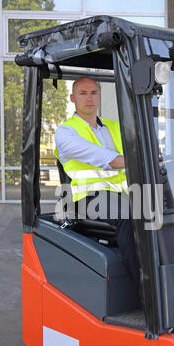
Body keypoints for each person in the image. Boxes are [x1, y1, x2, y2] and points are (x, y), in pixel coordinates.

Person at [54, 77, 140, 296]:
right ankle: (147, 291)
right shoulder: (66, 132)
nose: (89, 98)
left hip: (121, 195)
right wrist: (137, 160)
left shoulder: (114, 127)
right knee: (132, 215)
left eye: (94, 93)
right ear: (73, 98)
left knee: (166, 209)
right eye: (83, 93)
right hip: (87, 199)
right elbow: (103, 157)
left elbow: (142, 148)